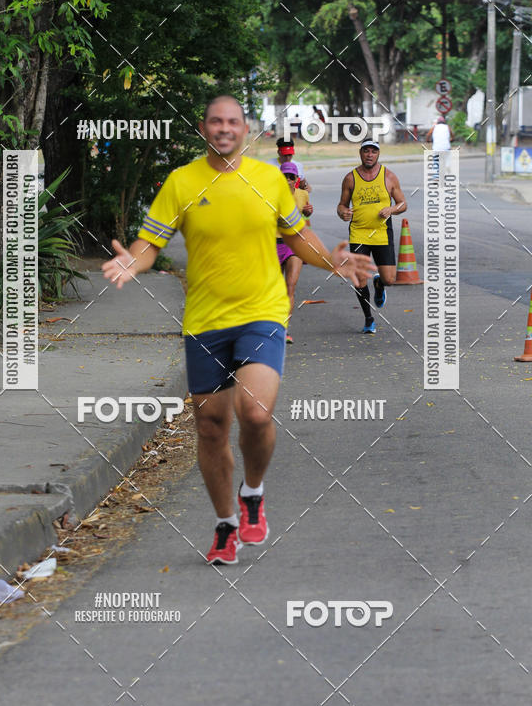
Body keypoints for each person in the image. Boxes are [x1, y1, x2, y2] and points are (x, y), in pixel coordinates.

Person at [103, 96, 375, 565]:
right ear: (204, 128)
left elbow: (295, 236)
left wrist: (334, 260)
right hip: (206, 321)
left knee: (254, 412)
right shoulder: (182, 181)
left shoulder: (269, 178)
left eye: (233, 121)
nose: (224, 128)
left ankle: (254, 490)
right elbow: (151, 243)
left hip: (262, 311)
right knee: (210, 428)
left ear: (245, 129)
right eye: (216, 121)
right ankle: (227, 522)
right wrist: (133, 259)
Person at [337, 139, 407, 334]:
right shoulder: (350, 178)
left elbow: (403, 204)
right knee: (359, 280)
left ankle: (379, 283)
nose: (369, 155)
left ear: (378, 154)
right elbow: (341, 205)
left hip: (382, 233)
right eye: (366, 151)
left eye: (373, 152)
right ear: (360, 153)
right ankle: (369, 318)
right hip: (359, 233)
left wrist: (392, 209)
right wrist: (343, 212)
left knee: (390, 279)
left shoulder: (389, 177)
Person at [276, 162, 313, 344]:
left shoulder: (303, 194)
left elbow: (305, 219)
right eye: (285, 177)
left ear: (296, 179)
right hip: (273, 244)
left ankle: (284, 329)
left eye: (292, 177)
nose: (288, 180)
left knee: (290, 286)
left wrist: (308, 213)